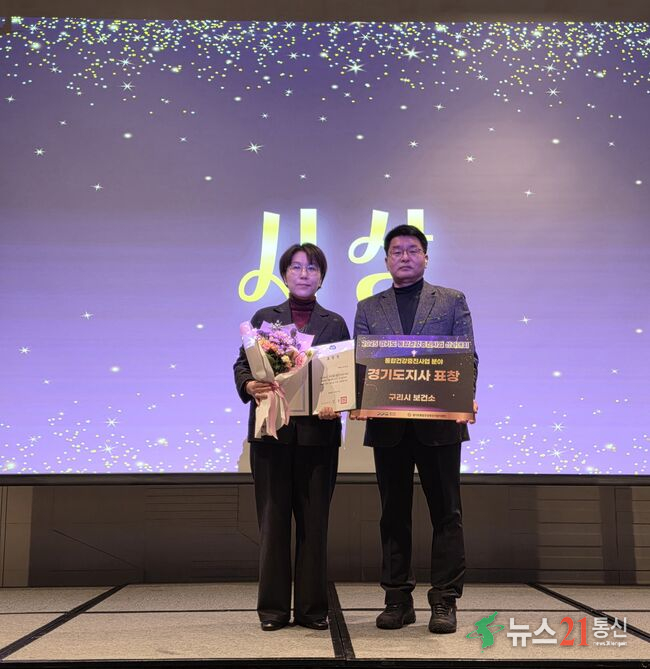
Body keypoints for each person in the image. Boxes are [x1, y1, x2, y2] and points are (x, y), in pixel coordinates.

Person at [352, 224, 478, 634]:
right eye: (396, 251)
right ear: (386, 260)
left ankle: (445, 601)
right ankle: (397, 600)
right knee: (393, 515)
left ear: (425, 256)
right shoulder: (368, 308)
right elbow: (360, 366)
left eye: (412, 250)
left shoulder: (452, 300)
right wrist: (356, 399)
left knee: (447, 514)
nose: (404, 257)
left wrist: (465, 398)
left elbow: (467, 357)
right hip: (389, 427)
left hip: (440, 426)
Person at [233, 243, 350, 632]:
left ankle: (313, 610)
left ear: (322, 277)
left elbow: (344, 374)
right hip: (272, 437)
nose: (304, 274)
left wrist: (338, 403)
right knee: (273, 525)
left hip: (319, 439)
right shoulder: (265, 319)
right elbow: (242, 365)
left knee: (315, 527)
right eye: (296, 267)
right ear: (284, 275)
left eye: (312, 268)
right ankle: (273, 611)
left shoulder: (335, 323)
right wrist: (249, 384)